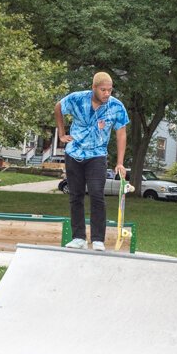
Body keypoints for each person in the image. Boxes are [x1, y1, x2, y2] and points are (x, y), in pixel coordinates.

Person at [55, 71, 130, 251]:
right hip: (74, 154)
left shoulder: (116, 107)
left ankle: (98, 239)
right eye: (103, 90)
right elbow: (58, 107)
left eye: (110, 90)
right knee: (76, 195)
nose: (107, 94)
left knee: (97, 195)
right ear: (94, 88)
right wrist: (61, 133)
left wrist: (120, 162)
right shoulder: (77, 99)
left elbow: (121, 134)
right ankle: (79, 237)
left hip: (97, 156)